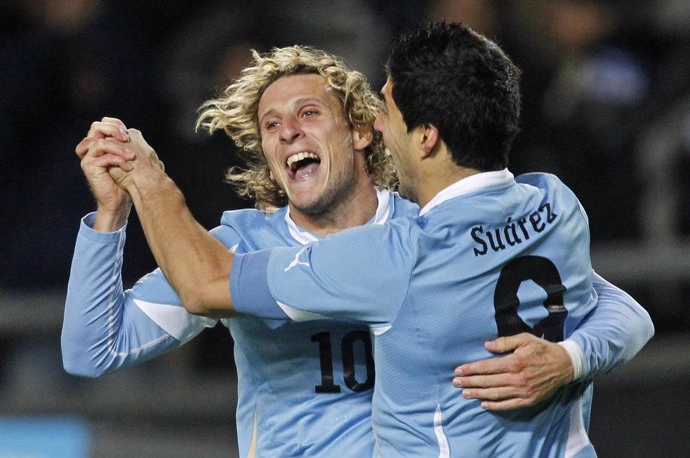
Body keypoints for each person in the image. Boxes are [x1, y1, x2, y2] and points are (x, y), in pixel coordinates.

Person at [66, 38, 653, 456]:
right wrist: (111, 215)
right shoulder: (233, 247)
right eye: (271, 125)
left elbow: (618, 307)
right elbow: (92, 350)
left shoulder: (420, 235)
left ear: (363, 128)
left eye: (309, 112)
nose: (288, 131)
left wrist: (566, 359)